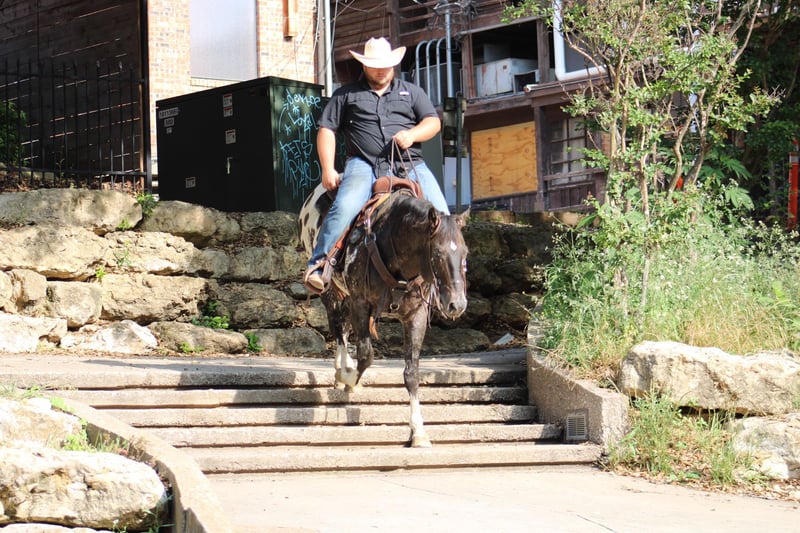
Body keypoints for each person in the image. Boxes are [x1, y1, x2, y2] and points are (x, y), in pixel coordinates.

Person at [304, 36, 450, 294]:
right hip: (364, 164)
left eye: (386, 65)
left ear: (393, 64)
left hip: (410, 163)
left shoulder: (411, 91)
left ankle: (450, 278)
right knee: (346, 205)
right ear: (364, 66)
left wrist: (412, 135)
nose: (381, 70)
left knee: (442, 216)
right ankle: (319, 265)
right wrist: (328, 168)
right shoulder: (345, 95)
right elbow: (327, 130)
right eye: (375, 65)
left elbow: (433, 122)